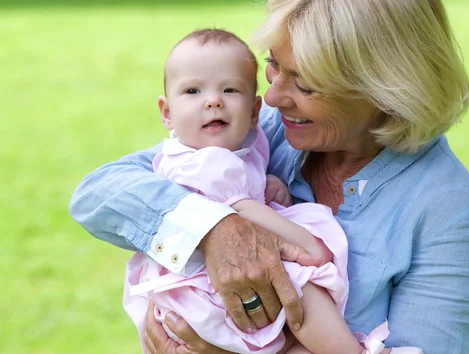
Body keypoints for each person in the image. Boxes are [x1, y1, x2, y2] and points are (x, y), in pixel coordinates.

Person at [70, 0, 469, 354]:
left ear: (386, 91)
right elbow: (99, 193)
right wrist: (213, 227)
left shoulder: (450, 215)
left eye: (306, 83)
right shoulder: (271, 132)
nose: (271, 97)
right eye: (272, 64)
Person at [124, 28, 393, 354]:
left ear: (254, 112)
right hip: (208, 292)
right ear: (167, 113)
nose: (213, 100)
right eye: (193, 90)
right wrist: (305, 244)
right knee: (300, 284)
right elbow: (245, 211)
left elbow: (241, 193)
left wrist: (265, 183)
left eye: (229, 89)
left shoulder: (238, 148)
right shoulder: (206, 161)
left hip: (203, 295)